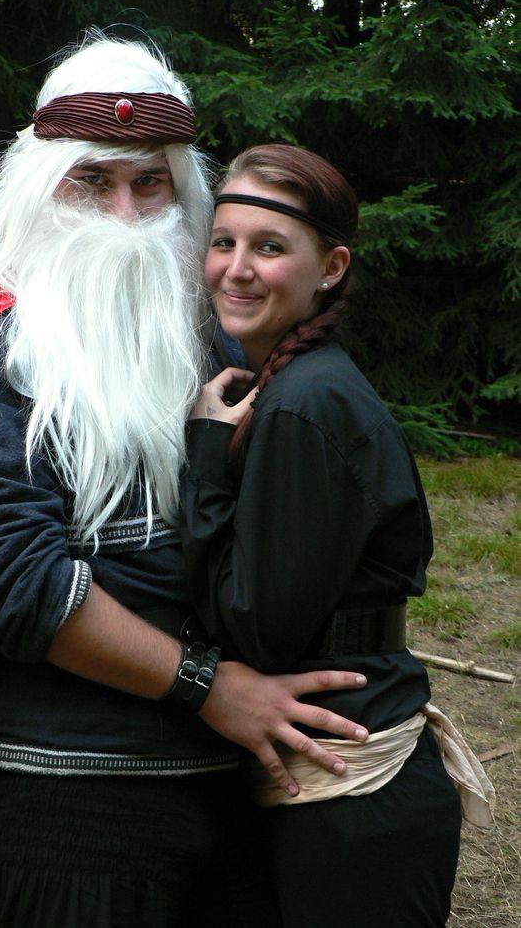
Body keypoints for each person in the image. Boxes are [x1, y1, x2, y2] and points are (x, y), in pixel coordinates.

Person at [0, 41, 374, 928]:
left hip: (227, 807)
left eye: (150, 184)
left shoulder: (215, 336)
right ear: (42, 187)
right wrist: (211, 686)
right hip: (57, 824)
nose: (125, 214)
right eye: (93, 182)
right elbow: (6, 577)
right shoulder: (0, 345)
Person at [180, 143, 494, 927]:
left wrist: (206, 457)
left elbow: (254, 626)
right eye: (224, 242)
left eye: (269, 247)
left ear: (331, 267)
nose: (237, 269)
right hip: (338, 785)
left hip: (352, 794)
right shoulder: (291, 384)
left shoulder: (305, 404)